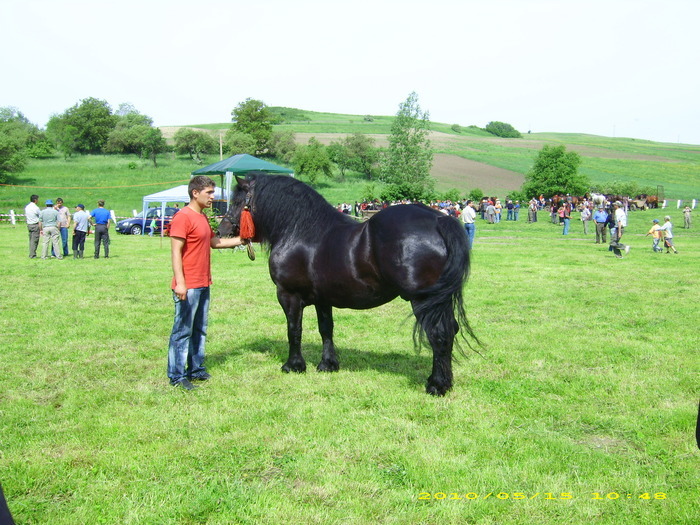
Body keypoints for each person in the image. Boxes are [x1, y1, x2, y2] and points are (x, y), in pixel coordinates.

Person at [167, 175, 244, 390]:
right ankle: (177, 375)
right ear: (195, 193)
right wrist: (180, 283)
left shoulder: (202, 217)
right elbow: (175, 252)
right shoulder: (183, 217)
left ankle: (196, 369)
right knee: (182, 331)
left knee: (199, 328)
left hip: (203, 283)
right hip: (188, 284)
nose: (213, 196)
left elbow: (214, 242)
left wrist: (242, 239)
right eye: (209, 192)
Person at [25, 194, 41, 258]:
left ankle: (31, 253)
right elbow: (40, 215)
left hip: (29, 224)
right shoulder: (36, 208)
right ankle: (32, 254)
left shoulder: (27, 207)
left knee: (31, 240)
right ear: (35, 200)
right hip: (35, 225)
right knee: (35, 240)